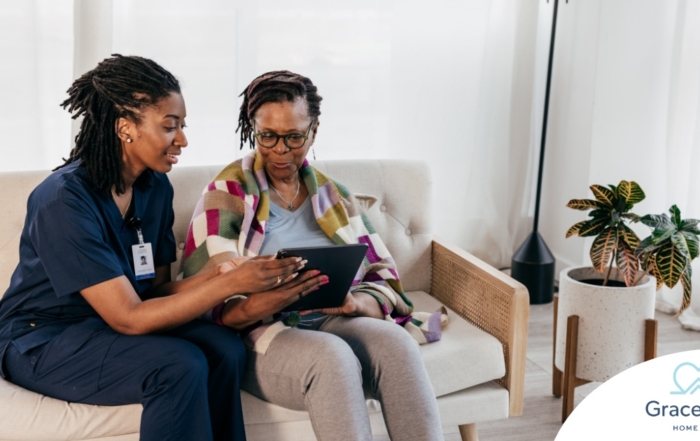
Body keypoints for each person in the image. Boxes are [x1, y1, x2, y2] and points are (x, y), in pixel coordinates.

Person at [0, 56, 325, 441]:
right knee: (177, 364)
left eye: (182, 126)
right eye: (170, 126)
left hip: (107, 327)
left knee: (225, 349)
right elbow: (129, 317)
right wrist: (226, 286)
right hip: (43, 339)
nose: (183, 140)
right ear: (125, 128)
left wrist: (223, 276)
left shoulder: (154, 188)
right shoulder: (63, 201)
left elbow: (154, 291)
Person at [182, 71, 445, 441]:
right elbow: (209, 297)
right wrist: (267, 299)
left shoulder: (333, 194)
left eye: (294, 137)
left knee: (397, 344)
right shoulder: (226, 192)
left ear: (314, 130)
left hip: (333, 321)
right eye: (267, 136)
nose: (280, 150)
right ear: (252, 128)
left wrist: (355, 304)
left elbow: (385, 278)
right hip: (262, 333)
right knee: (331, 358)